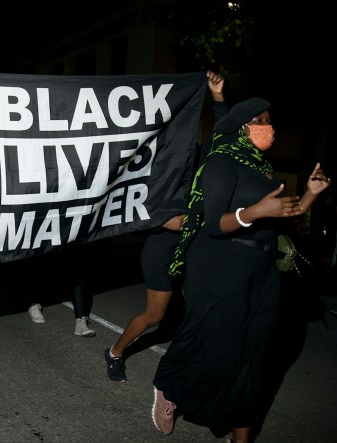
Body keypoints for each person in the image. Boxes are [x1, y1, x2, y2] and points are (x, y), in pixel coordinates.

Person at [151, 97, 331, 442]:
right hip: (218, 265)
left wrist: (309, 195)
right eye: (263, 120)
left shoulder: (261, 166)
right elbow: (214, 224)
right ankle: (170, 387)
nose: (270, 128)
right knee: (219, 352)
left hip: (262, 267)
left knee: (254, 355)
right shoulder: (221, 162)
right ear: (244, 126)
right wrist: (256, 212)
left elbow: (283, 214)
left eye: (270, 120)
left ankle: (241, 436)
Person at [105, 70, 227, 382]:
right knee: (155, 316)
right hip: (162, 247)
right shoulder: (152, 165)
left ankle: (190, 365)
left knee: (200, 311)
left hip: (193, 247)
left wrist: (217, 96)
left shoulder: (200, 160)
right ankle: (115, 352)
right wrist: (160, 220)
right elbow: (130, 204)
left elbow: (224, 135)